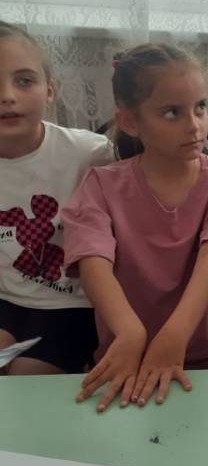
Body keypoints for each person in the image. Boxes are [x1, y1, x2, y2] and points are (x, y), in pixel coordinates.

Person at [62, 43, 208, 412]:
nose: (194, 125)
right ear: (130, 122)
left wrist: (173, 337)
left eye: (200, 107)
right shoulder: (101, 185)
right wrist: (130, 332)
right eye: (172, 112)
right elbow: (91, 260)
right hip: (127, 355)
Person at [0, 21, 114, 376]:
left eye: (24, 81)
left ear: (50, 90)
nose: (7, 96)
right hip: (8, 300)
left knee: (25, 378)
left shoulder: (90, 153)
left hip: (73, 306)